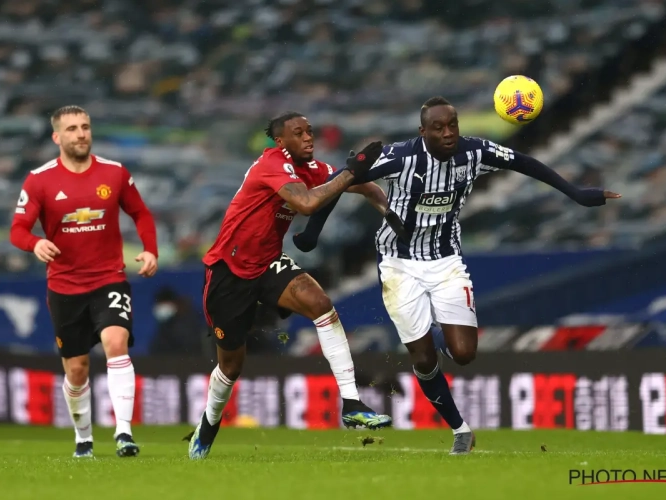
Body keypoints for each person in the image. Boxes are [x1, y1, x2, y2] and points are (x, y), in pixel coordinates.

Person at [293, 96, 622, 454]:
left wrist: (576, 193)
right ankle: (460, 429)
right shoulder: (399, 158)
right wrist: (312, 233)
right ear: (423, 131)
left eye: (452, 125)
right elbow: (341, 180)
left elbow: (524, 162)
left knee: (464, 353)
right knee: (422, 360)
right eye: (438, 128)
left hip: (446, 260)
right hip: (398, 264)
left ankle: (436, 330)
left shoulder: (474, 152)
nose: (448, 133)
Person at [186, 112, 404, 460]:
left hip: (268, 263)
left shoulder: (311, 168)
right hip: (229, 271)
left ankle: (351, 403)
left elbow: (363, 185)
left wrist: (391, 216)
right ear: (280, 142)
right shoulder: (271, 164)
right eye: (298, 133)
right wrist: (350, 172)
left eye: (309, 131)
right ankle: (209, 424)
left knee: (320, 304)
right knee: (230, 366)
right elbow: (307, 203)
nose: (307, 138)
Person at [10, 105, 159, 458]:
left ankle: (124, 433)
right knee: (77, 370)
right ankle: (84, 438)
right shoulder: (39, 180)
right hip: (64, 287)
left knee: (116, 342)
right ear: (56, 137)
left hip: (109, 278)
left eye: (85, 127)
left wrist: (150, 250)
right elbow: (17, 230)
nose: (81, 134)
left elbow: (140, 212)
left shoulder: (115, 173)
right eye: (72, 128)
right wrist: (35, 243)